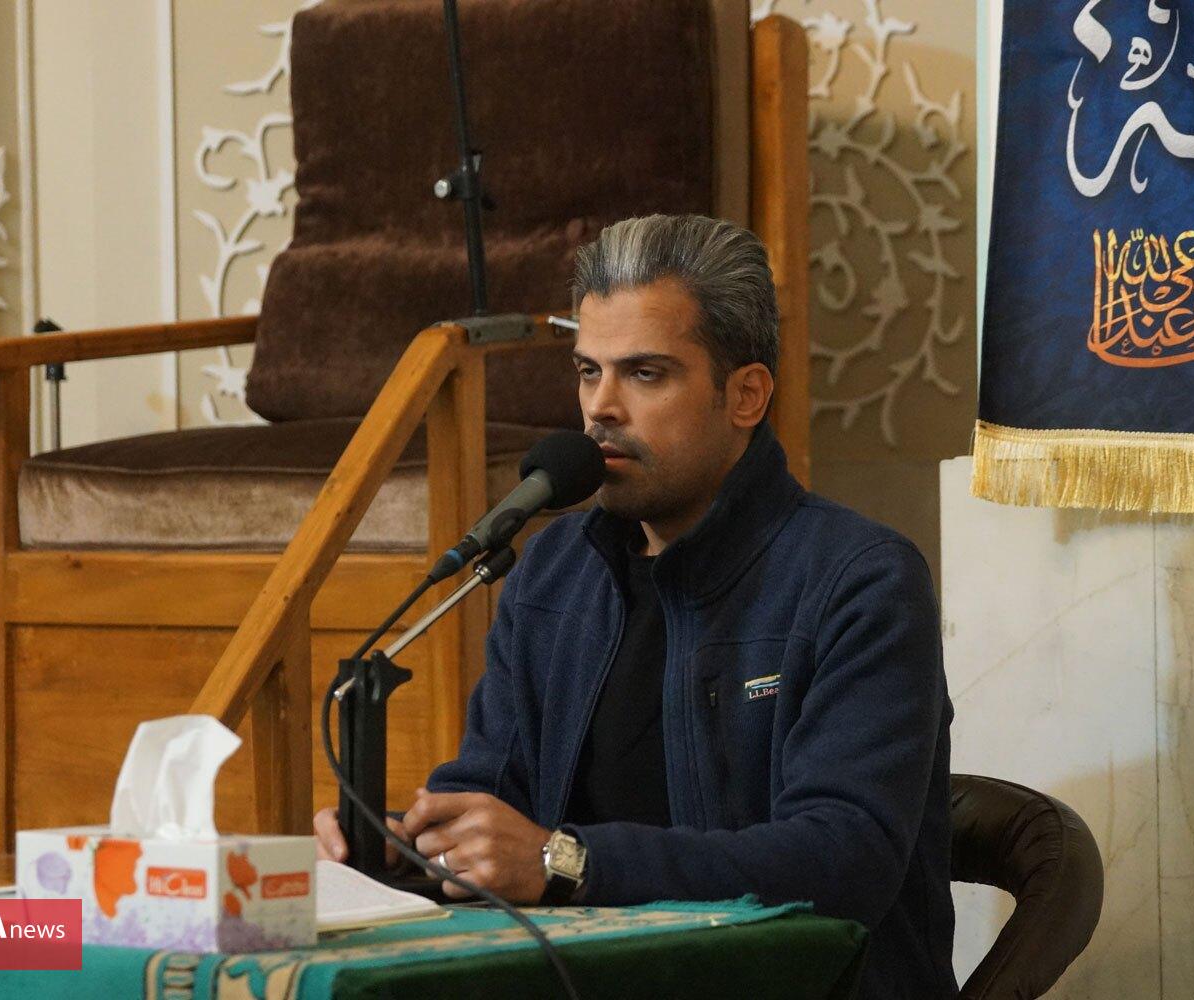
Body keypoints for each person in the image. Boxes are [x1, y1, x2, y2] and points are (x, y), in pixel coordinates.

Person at [315, 214, 957, 998]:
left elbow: (844, 858)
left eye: (645, 374)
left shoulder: (860, 579)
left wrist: (567, 862)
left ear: (746, 395)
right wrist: (402, 848)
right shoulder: (553, 572)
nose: (601, 409)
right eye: (589, 372)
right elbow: (491, 799)